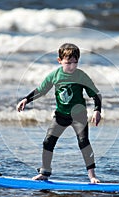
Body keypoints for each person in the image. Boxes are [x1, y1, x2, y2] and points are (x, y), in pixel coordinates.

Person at [17, 43, 102, 183]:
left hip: (78, 116)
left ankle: (92, 176)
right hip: (60, 115)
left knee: (84, 142)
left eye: (75, 62)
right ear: (60, 61)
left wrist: (97, 110)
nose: (72, 66)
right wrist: (26, 99)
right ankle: (44, 172)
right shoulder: (55, 75)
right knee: (48, 141)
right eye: (68, 63)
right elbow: (41, 90)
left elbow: (95, 94)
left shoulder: (81, 76)